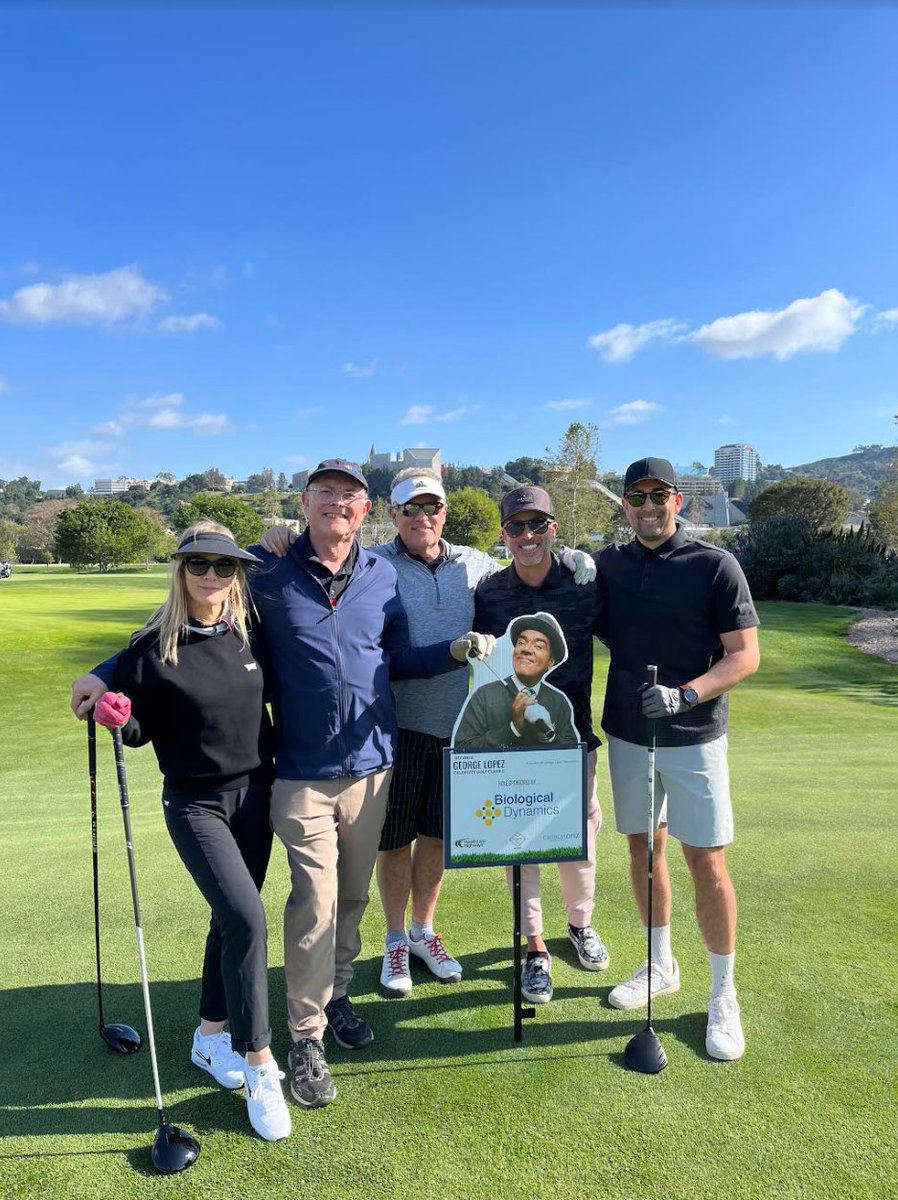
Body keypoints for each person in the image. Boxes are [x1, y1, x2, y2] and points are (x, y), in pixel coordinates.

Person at [261, 466, 595, 1002]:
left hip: (461, 732)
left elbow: (524, 561)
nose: (422, 517)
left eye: (431, 508)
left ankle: (422, 931)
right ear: (391, 515)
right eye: (410, 509)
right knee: (394, 842)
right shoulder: (374, 565)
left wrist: (571, 556)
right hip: (393, 729)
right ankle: (395, 940)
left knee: (437, 839)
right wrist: (277, 540)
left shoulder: (473, 563)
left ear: (445, 512)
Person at [76, 521, 291, 1142]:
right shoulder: (151, 647)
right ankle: (260, 1063)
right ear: (181, 571)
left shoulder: (251, 634)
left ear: (236, 575)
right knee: (248, 919)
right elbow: (139, 725)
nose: (211, 577)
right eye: (198, 565)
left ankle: (209, 1036)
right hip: (196, 804)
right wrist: (120, 716)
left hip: (257, 796)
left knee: (231, 919)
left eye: (223, 567)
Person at [597, 456, 760, 1062]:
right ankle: (659, 962)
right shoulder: (610, 566)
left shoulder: (715, 566)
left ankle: (723, 993)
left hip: (694, 735)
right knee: (643, 849)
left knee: (706, 861)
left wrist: (686, 693)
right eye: (635, 496)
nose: (647, 506)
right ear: (625, 505)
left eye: (657, 495)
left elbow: (744, 657)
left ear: (677, 501)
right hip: (629, 733)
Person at [471, 485, 608, 1005]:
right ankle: (534, 949)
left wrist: (582, 556)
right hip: (513, 741)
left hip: (574, 737)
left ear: (553, 528)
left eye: (537, 526)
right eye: (515, 527)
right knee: (521, 846)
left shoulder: (584, 583)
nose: (526, 536)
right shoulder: (489, 593)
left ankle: (579, 924)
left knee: (579, 839)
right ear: (504, 533)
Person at [453, 613, 579, 750]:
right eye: (521, 643)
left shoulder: (558, 701)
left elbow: (571, 756)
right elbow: (462, 750)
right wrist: (513, 729)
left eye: (538, 646)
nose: (526, 649)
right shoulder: (484, 696)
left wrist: (547, 736)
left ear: (550, 662)